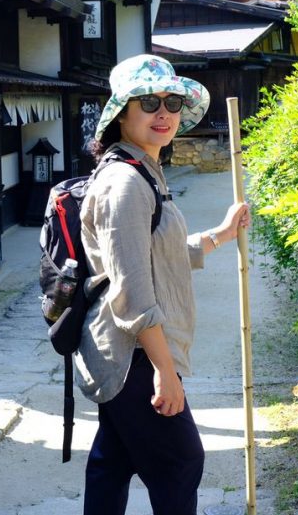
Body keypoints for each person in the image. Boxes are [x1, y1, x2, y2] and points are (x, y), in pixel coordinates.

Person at [76, 54, 250, 515]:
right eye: (149, 101)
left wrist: (220, 234)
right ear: (121, 113)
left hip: (126, 351)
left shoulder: (143, 171)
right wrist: (165, 371)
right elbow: (131, 290)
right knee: (180, 462)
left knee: (112, 463)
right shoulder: (124, 182)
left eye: (172, 102)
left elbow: (162, 256)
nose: (164, 113)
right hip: (132, 353)